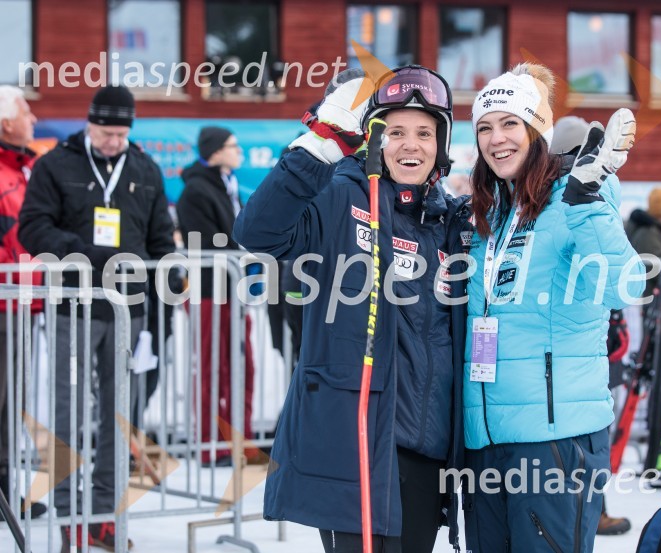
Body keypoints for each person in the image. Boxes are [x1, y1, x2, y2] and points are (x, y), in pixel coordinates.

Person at [233, 66, 471, 553]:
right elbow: (257, 232)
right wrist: (319, 146)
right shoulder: (341, 195)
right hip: (359, 443)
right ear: (374, 138)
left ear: (442, 144)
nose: (410, 145)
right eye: (396, 131)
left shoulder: (448, 222)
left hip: (428, 449)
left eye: (425, 133)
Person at [463, 63, 644, 552]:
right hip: (485, 439)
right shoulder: (488, 212)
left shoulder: (576, 197)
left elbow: (623, 287)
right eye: (485, 127)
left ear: (537, 131)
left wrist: (586, 201)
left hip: (554, 437)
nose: (497, 138)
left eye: (510, 124)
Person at [18, 85, 175, 552]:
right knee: (67, 412)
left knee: (119, 415)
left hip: (129, 311)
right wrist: (88, 255)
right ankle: (69, 513)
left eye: (121, 134)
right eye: (106, 133)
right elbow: (34, 228)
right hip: (74, 305)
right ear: (89, 124)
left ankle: (104, 514)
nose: (113, 142)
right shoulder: (55, 164)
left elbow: (160, 239)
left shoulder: (144, 168)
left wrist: (168, 283)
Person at [550, 114, 633, 537]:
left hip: (572, 367)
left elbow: (620, 284)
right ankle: (595, 507)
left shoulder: (579, 197)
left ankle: (595, 507)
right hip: (578, 366)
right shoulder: (567, 198)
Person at [176, 126, 255, 466]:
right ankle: (211, 444)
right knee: (213, 368)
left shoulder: (227, 187)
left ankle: (242, 439)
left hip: (233, 290)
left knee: (242, 366)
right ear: (215, 151)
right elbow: (208, 243)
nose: (239, 152)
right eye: (233, 146)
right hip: (209, 292)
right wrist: (242, 251)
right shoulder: (196, 191)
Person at [0, 85, 47, 521]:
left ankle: (5, 490)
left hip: (23, 304)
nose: (33, 119)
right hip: (4, 301)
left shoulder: (29, 167)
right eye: (25, 112)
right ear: (5, 123)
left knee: (12, 402)